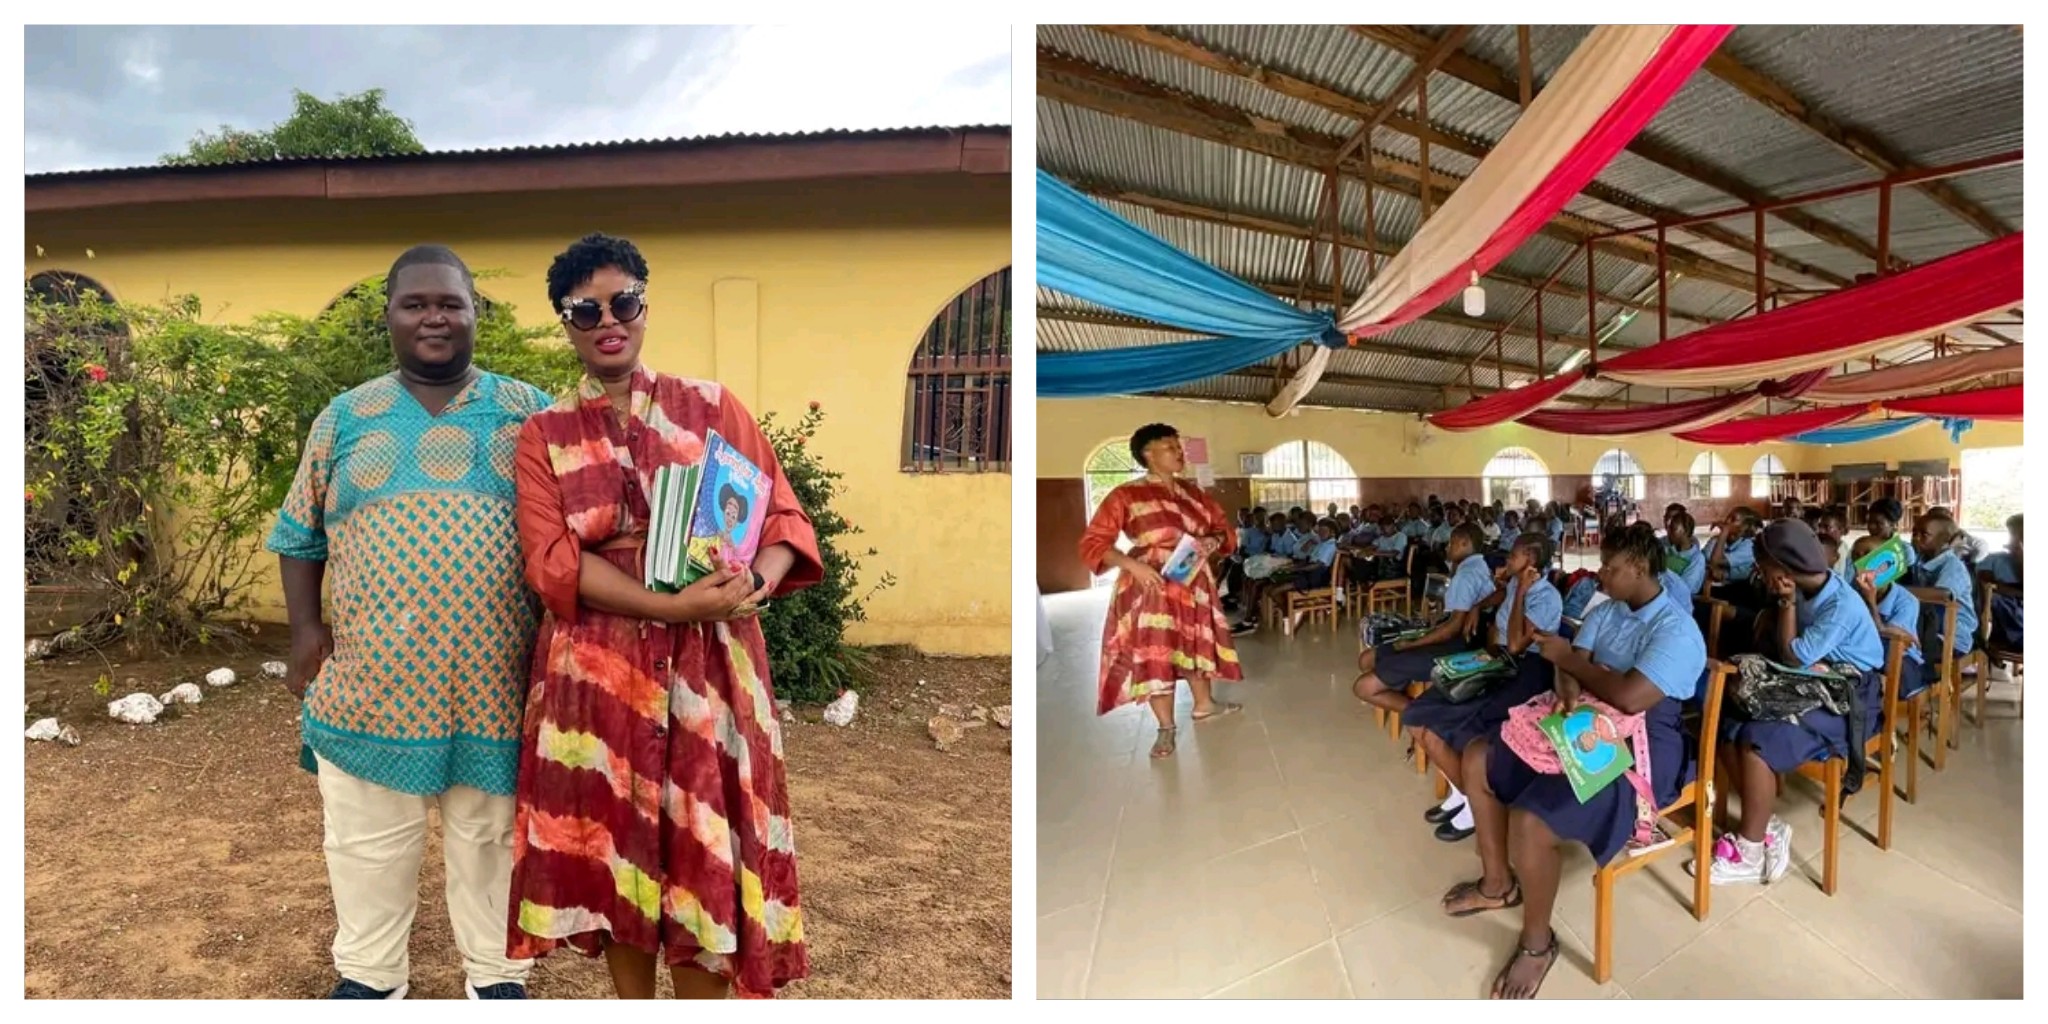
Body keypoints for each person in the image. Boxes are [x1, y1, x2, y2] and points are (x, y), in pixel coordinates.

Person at [507, 233, 820, 997]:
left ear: (645, 306)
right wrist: (668, 605)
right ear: (566, 323)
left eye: (624, 302)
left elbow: (780, 518)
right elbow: (553, 561)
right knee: (615, 854)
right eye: (585, 310)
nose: (607, 320)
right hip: (598, 680)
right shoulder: (544, 435)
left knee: (700, 851)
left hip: (710, 673)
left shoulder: (713, 407)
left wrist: (755, 583)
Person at [267, 244, 551, 1000]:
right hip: (371, 683)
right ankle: (369, 975)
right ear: (388, 317)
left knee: (491, 840)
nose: (434, 317)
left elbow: (574, 530)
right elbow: (299, 535)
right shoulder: (345, 417)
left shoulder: (530, 413)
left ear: (474, 315)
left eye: (450, 303)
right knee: (365, 842)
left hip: (496, 681)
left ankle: (496, 977)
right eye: (415, 303)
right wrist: (304, 636)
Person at [1445, 523, 1705, 999]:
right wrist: (1567, 693)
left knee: (1530, 820)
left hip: (1643, 745)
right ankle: (1498, 883)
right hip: (1584, 718)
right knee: (1480, 757)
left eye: (1611, 566)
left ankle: (1538, 944)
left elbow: (1630, 698)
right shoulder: (1606, 610)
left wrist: (1572, 663)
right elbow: (1570, 666)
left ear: (1641, 569)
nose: (1600, 573)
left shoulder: (1676, 628)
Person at [1707, 520, 1885, 886]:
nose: (1759, 573)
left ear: (1785, 571)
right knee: (1728, 726)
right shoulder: (1807, 588)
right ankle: (1767, 824)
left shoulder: (1840, 605)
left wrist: (1785, 602)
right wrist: (1781, 603)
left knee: (1758, 740)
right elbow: (1780, 649)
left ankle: (1750, 850)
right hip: (1814, 680)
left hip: (1850, 699)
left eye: (1764, 567)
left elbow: (1792, 656)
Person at [1079, 422, 1243, 759]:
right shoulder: (1125, 495)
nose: (1180, 451)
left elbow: (1223, 530)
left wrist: (1213, 539)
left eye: (1178, 446)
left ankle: (1204, 705)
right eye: (1170, 447)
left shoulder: (1195, 494)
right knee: (1157, 651)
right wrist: (1133, 566)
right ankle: (1166, 728)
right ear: (1148, 454)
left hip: (1193, 581)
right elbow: (1094, 544)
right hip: (1150, 586)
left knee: (1196, 642)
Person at [1404, 532, 1562, 843]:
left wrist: (1521, 594)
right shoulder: (1514, 583)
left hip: (1525, 670)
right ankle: (1461, 793)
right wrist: (1478, 605)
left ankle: (1475, 805)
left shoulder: (1546, 597)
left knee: (1452, 731)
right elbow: (1500, 594)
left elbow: (1517, 645)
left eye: (1514, 556)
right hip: (1496, 659)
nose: (1507, 560)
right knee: (1417, 716)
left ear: (1530, 561)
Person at [1353, 523, 1494, 717]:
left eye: (1451, 543)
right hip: (1462, 639)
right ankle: (1400, 684)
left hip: (1456, 647)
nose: (1447, 548)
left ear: (1464, 543)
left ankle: (1430, 716)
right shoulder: (1480, 565)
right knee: (1368, 658)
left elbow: (1452, 630)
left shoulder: (1466, 576)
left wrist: (1411, 645)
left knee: (1363, 686)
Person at [1850, 535, 1925, 699]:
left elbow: (1890, 636)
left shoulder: (1906, 600)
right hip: (1862, 652)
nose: (1861, 560)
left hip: (1898, 656)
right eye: (1856, 556)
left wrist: (1870, 600)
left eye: (1867, 554)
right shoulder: (1850, 591)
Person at [1906, 509, 1979, 663]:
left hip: (1952, 637)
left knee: (1903, 650)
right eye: (1914, 533)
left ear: (1945, 540)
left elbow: (1942, 595)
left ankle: (1920, 680)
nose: (1916, 538)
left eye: (1924, 535)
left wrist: (1896, 590)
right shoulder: (1919, 560)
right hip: (1929, 628)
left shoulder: (1952, 564)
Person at [1664, 511, 1706, 597]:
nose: (1669, 533)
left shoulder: (1697, 559)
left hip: (1680, 604)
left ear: (1685, 531)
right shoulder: (1666, 552)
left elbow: (1686, 589)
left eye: (1673, 529)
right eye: (1669, 529)